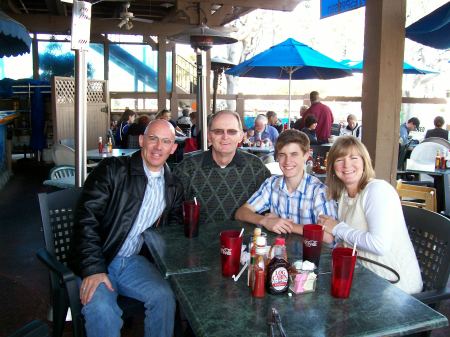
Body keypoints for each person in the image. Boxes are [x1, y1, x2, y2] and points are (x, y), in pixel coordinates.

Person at [69, 119, 183, 337]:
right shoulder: (113, 170)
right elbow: (86, 219)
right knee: (103, 310)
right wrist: (93, 268)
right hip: (98, 257)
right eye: (153, 139)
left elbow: (172, 230)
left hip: (132, 261)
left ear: (173, 148)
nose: (158, 147)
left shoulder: (173, 186)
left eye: (166, 141)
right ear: (141, 140)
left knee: (164, 297)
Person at [318, 136, 422, 294]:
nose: (347, 165)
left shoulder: (377, 190)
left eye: (354, 158)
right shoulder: (345, 195)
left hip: (397, 289)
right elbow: (352, 238)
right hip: (367, 281)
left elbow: (379, 245)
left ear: (364, 162)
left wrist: (337, 228)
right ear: (332, 166)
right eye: (340, 159)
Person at [235, 129, 336, 241]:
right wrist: (265, 221)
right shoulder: (272, 184)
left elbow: (329, 236)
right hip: (278, 253)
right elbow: (241, 213)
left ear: (306, 156)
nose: (287, 161)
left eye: (294, 154)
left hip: (309, 256)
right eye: (282, 155)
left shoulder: (319, 192)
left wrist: (283, 224)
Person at [174, 110, 271, 223]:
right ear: (209, 136)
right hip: (197, 239)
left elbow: (270, 208)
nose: (225, 137)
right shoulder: (187, 168)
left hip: (244, 239)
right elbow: (172, 216)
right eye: (218, 131)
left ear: (240, 136)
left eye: (232, 131)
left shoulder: (256, 167)